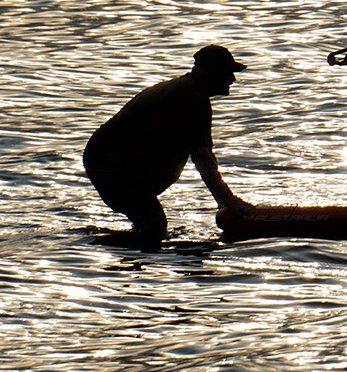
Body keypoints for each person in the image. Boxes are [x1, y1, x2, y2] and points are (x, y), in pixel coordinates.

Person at [83, 44, 257, 248]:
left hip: (117, 157)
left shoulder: (193, 94)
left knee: (148, 220)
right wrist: (228, 199)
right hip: (108, 158)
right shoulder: (190, 97)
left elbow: (203, 154)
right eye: (227, 72)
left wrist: (224, 199)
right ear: (210, 71)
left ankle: (126, 244)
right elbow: (202, 157)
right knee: (154, 224)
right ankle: (114, 250)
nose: (233, 79)